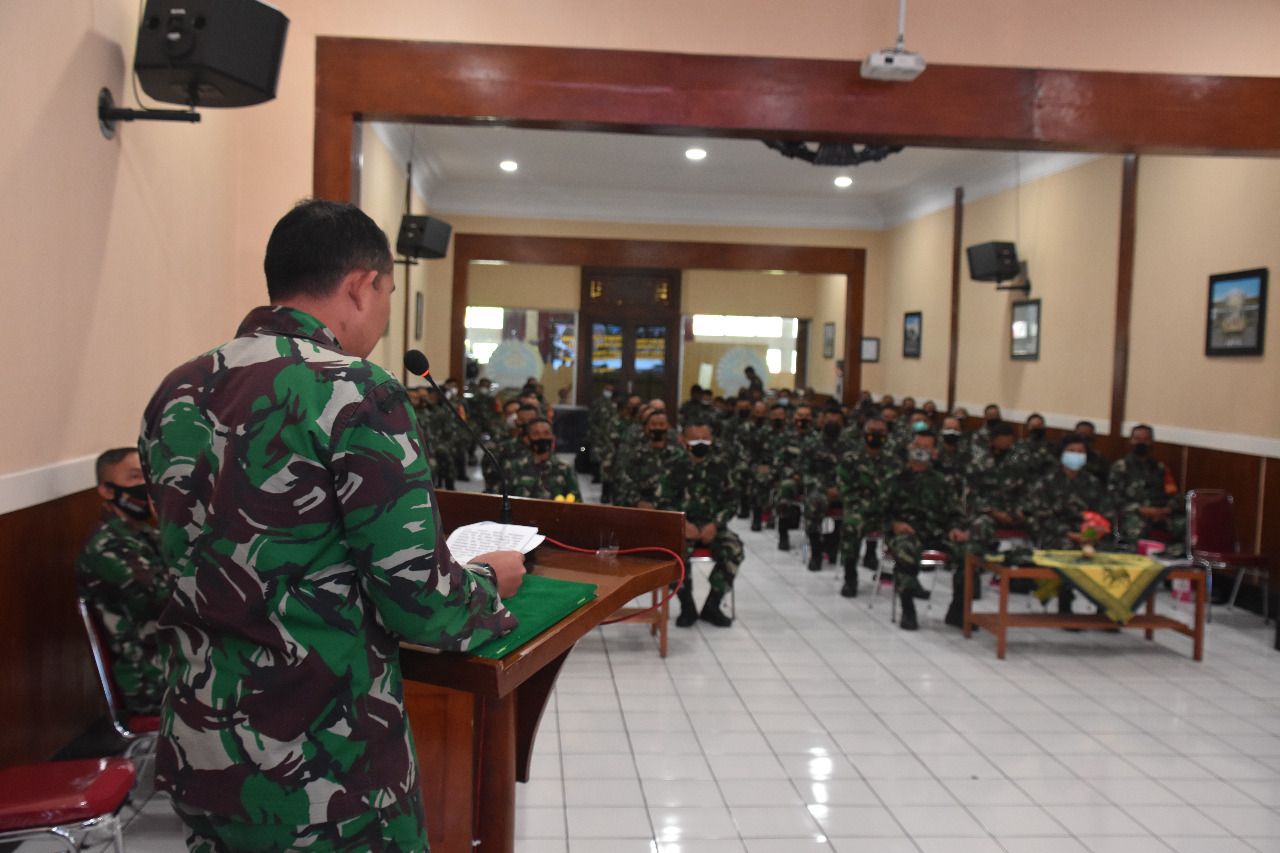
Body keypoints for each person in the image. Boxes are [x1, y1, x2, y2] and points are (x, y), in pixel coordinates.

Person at [139, 199, 526, 853]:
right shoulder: (357, 390)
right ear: (361, 285)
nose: (383, 315)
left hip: (203, 752)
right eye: (387, 295)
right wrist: (489, 584)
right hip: (324, 767)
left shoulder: (179, 390)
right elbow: (419, 602)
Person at [75, 447, 173, 716]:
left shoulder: (141, 534)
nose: (145, 485)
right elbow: (167, 599)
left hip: (174, 661)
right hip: (151, 679)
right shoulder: (107, 547)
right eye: (134, 477)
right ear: (107, 491)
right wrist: (168, 522)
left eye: (147, 476)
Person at [880, 431, 968, 630]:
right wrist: (894, 525)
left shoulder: (941, 482)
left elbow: (955, 513)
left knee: (968, 551)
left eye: (926, 448)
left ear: (935, 453)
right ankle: (908, 609)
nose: (920, 451)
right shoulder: (894, 479)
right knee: (906, 548)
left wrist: (955, 528)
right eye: (917, 446)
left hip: (936, 534)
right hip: (907, 534)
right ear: (909, 448)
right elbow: (879, 512)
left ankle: (957, 610)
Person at [1023, 434, 1115, 615]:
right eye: (1072, 451)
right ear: (1062, 454)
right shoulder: (1047, 482)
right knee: (1068, 551)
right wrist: (1068, 534)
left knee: (1108, 553)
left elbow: (1106, 512)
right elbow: (1040, 516)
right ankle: (1065, 601)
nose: (1076, 455)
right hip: (1056, 533)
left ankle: (1104, 606)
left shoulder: (1092, 482)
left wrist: (1094, 533)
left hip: (1087, 533)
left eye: (1081, 452)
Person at [662, 421, 743, 627]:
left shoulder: (721, 467)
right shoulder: (673, 466)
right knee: (672, 553)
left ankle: (712, 605)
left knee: (734, 548)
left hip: (712, 527)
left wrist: (715, 524)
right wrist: (682, 524)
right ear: (683, 441)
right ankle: (686, 605)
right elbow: (662, 501)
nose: (700, 443)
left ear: (712, 440)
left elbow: (732, 502)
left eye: (705, 439)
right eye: (695, 439)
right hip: (682, 527)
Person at [836, 417, 902, 597]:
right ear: (863, 434)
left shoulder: (894, 461)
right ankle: (850, 577)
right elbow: (845, 490)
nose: (876, 436)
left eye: (881, 433)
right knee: (851, 525)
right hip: (861, 512)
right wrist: (867, 506)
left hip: (886, 513)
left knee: (905, 528)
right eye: (872, 432)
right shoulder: (851, 459)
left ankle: (897, 574)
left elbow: (900, 490)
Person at [1107, 424, 1186, 555]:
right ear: (1130, 441)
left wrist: (1166, 510)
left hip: (1161, 514)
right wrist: (1140, 509)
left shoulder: (1160, 468)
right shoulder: (1120, 467)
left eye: (1146, 439)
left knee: (1188, 527)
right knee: (1136, 530)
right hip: (1134, 514)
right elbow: (1113, 498)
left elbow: (1173, 495)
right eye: (1137, 438)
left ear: (1152, 443)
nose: (1141, 443)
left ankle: (1169, 557)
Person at [508, 417, 583, 501]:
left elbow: (577, 499)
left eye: (546, 433)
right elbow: (502, 499)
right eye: (536, 434)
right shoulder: (514, 466)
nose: (541, 437)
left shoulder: (564, 468)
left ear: (553, 438)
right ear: (528, 439)